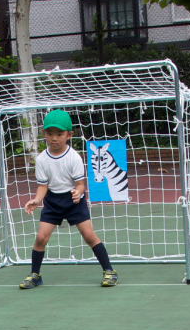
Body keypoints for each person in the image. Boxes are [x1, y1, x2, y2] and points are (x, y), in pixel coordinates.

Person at [19, 109, 118, 289]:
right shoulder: (41, 159)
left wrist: (78, 192)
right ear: (44, 134)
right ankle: (35, 275)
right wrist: (36, 200)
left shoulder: (74, 157)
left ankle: (109, 271)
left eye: (59, 134)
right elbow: (43, 186)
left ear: (69, 135)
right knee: (41, 238)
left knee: (89, 235)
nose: (54, 138)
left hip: (73, 202)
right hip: (52, 202)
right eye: (50, 134)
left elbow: (81, 184)